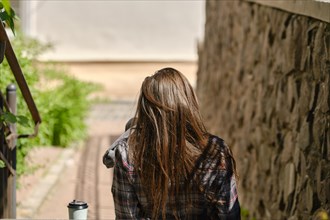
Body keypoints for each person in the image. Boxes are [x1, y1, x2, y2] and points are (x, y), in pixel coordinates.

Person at [108, 67, 240, 219]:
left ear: (145, 110)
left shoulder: (127, 154)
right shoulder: (216, 151)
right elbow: (230, 215)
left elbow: (127, 217)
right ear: (188, 103)